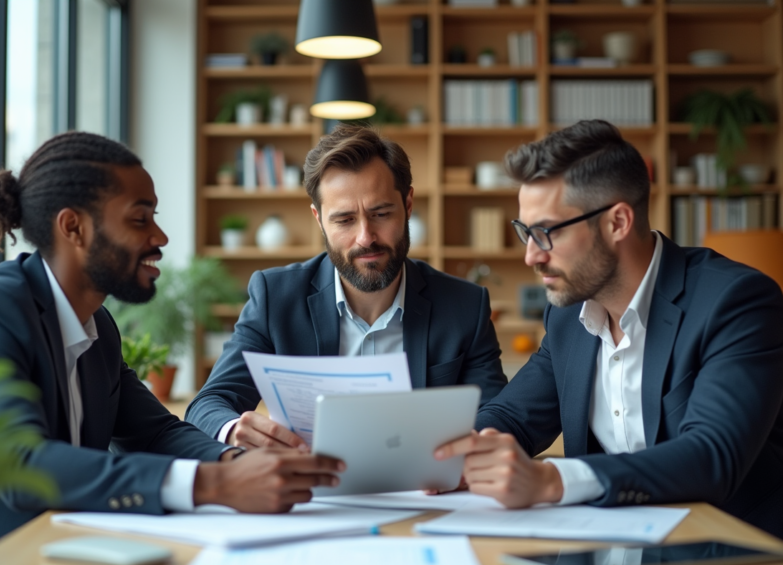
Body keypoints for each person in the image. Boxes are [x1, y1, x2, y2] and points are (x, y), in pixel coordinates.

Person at [0, 132, 343, 561]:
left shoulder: (98, 327)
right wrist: (214, 484)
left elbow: (154, 432)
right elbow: (18, 464)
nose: (160, 237)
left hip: (72, 551)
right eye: (139, 219)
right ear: (73, 227)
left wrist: (234, 462)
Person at [435, 120, 783, 538]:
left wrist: (553, 479)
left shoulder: (736, 302)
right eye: (525, 232)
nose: (531, 256)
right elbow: (514, 415)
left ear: (617, 222)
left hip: (731, 548)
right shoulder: (568, 315)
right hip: (610, 547)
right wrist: (458, 454)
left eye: (545, 232)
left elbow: (713, 456)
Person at [186, 124, 508, 449]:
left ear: (408, 205)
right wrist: (233, 430)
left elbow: (497, 415)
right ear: (319, 219)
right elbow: (208, 404)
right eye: (344, 220)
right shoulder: (275, 298)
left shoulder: (466, 305)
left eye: (381, 213)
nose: (365, 238)